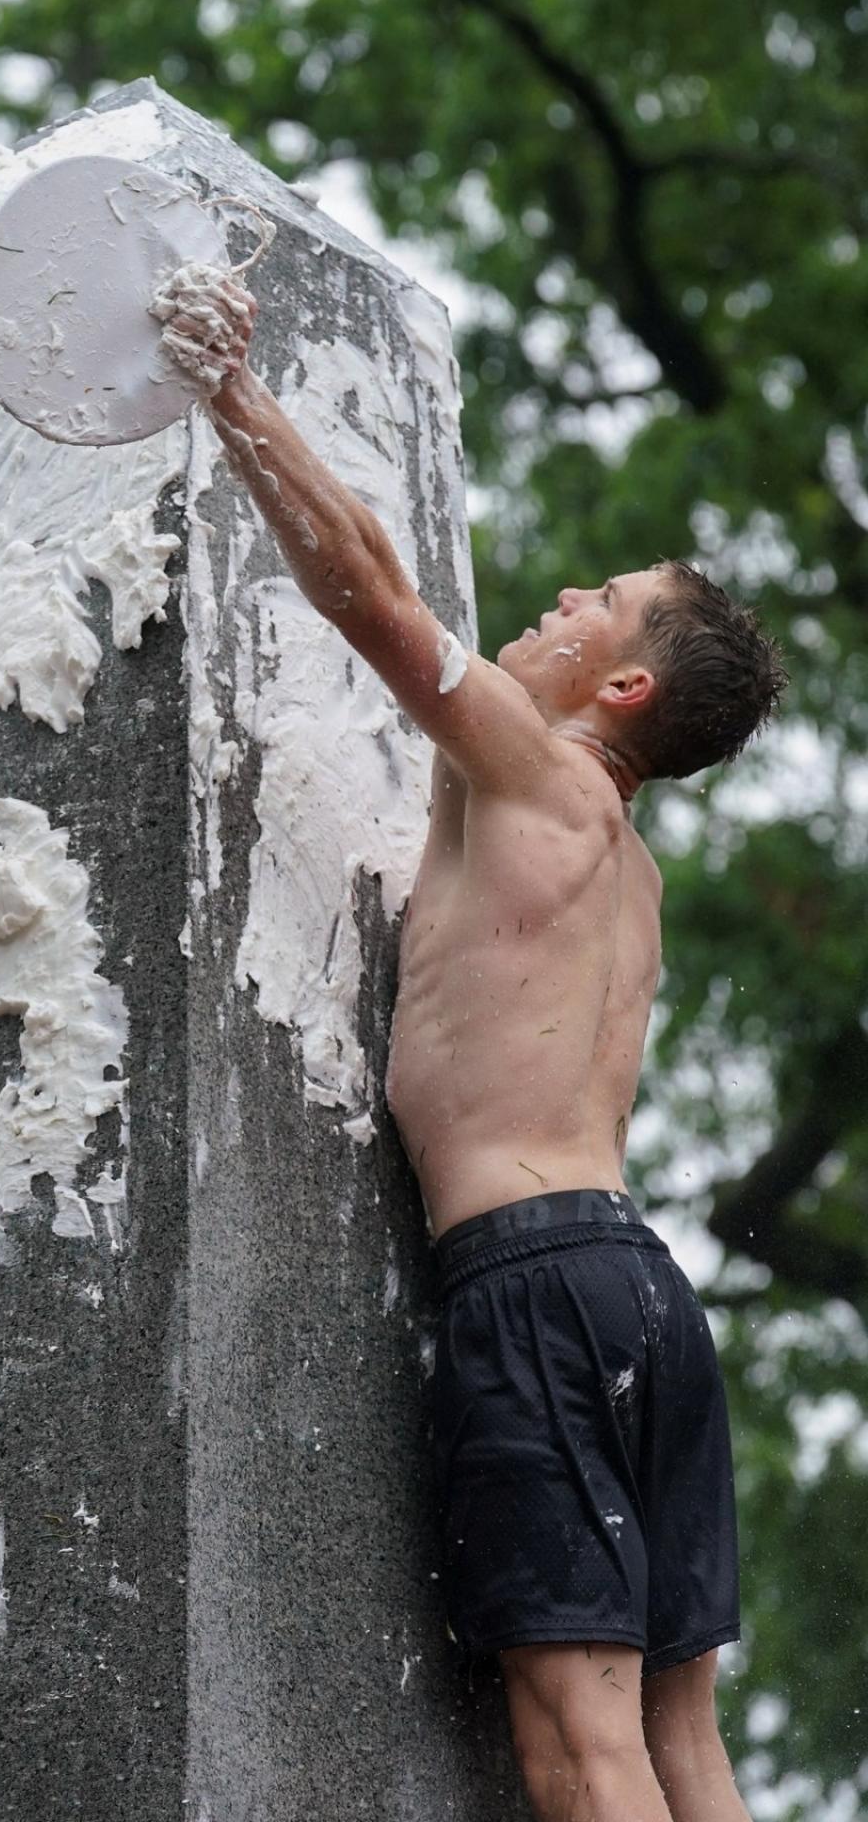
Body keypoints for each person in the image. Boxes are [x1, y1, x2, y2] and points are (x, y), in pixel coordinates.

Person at [153, 263, 787, 1822]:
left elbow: (369, 591)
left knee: (579, 1741)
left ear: (618, 687)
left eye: (598, 606)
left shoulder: (548, 778)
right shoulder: (624, 871)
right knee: (682, 1738)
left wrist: (229, 388)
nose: (561, 601)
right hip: (640, 1293)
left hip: (538, 1285)